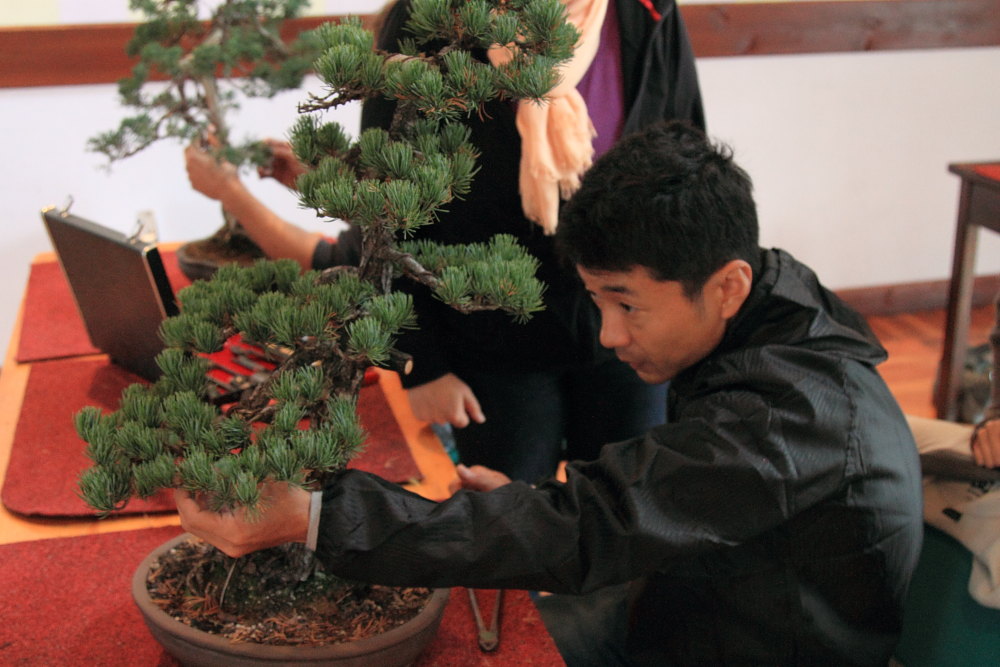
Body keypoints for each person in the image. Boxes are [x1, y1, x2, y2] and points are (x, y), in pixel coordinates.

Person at [176, 120, 924, 665]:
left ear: (727, 285)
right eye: (598, 301)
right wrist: (528, 506)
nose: (609, 335)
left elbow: (598, 525)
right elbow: (657, 503)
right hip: (692, 593)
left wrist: (314, 515)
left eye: (627, 304)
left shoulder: (789, 414)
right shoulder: (770, 300)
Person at [186, 0, 705, 483]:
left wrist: (690, 319)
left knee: (629, 503)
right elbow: (386, 214)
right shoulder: (430, 17)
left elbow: (687, 164)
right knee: (508, 519)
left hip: (628, 327)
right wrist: (421, 366)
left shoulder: (644, 11)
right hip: (491, 340)